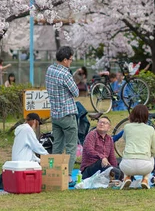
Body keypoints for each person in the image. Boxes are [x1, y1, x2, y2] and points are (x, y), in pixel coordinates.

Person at [45, 45, 79, 184]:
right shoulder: (65, 74)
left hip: (55, 114)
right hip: (67, 113)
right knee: (71, 146)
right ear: (65, 60)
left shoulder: (49, 69)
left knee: (57, 145)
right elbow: (76, 92)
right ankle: (69, 176)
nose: (71, 62)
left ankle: (53, 174)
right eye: (70, 60)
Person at [119, 104, 155, 189]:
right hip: (145, 166)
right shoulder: (150, 129)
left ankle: (127, 177)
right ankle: (145, 179)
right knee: (152, 157)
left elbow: (126, 139)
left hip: (127, 165)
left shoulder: (127, 127)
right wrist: (150, 155)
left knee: (125, 155)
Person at [80, 116, 123, 180]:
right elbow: (89, 150)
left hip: (105, 166)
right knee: (101, 163)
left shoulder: (109, 139)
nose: (102, 124)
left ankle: (121, 175)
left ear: (109, 128)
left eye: (105, 123)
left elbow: (112, 158)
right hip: (89, 169)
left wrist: (117, 166)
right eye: (100, 122)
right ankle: (120, 176)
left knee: (121, 161)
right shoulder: (91, 135)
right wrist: (102, 157)